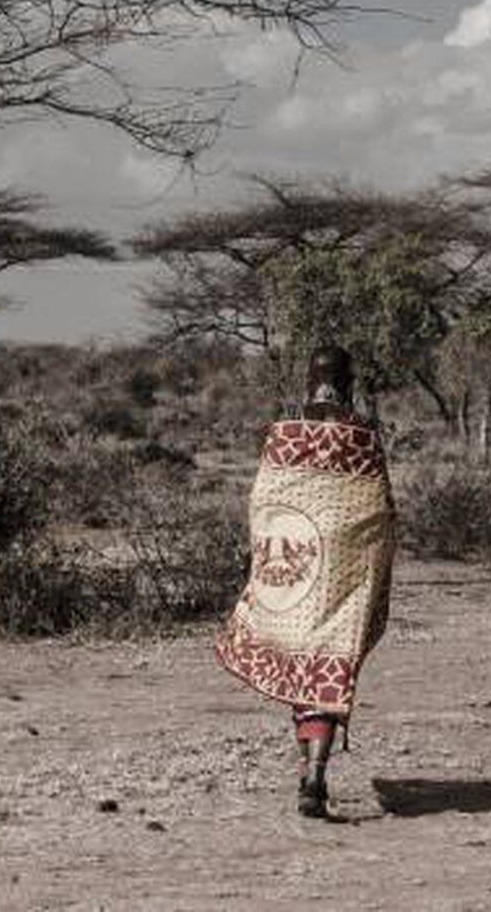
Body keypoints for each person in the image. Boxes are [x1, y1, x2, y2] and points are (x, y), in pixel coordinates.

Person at [214, 345, 398, 818]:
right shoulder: (363, 436)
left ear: (307, 380)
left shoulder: (285, 433)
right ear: (350, 383)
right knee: (331, 660)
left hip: (297, 558)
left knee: (300, 659)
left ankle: (309, 770)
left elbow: (265, 500)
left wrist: (270, 551)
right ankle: (315, 771)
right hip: (346, 568)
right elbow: (381, 509)